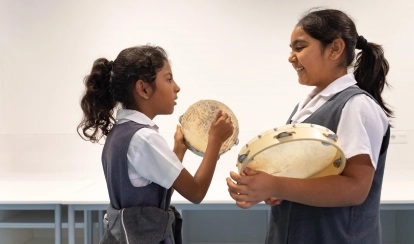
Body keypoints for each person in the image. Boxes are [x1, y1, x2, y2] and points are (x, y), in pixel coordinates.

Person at [227, 8, 392, 244]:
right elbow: (307, 177)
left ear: (334, 49)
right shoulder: (306, 107)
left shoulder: (357, 106)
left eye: (300, 47)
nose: (291, 57)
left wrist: (277, 185)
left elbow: (356, 188)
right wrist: (268, 189)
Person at [77, 44, 234, 244]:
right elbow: (196, 192)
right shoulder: (144, 138)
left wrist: (179, 148)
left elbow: (162, 184)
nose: (176, 87)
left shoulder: (122, 132)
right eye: (168, 79)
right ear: (143, 88)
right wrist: (215, 142)